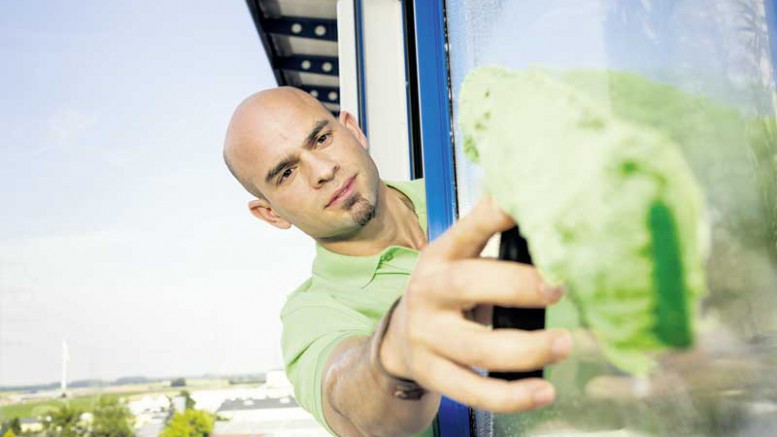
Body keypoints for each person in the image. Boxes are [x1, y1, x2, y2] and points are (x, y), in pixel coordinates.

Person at [223, 87, 572, 437]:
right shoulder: (312, 314)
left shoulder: (474, 188)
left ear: (353, 130)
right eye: (286, 173)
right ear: (270, 214)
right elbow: (350, 400)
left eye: (322, 138)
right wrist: (397, 354)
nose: (323, 171)